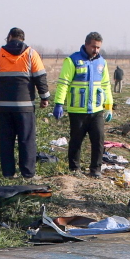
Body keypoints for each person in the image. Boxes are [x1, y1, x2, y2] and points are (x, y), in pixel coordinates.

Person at [0, 27, 50, 179]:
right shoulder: (31, 54)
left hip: (5, 106)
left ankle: (8, 174)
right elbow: (40, 77)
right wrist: (44, 98)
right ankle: (28, 173)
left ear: (9, 37)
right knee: (26, 140)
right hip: (25, 106)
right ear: (23, 38)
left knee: (6, 141)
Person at [52, 31, 113, 177]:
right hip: (77, 110)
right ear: (86, 45)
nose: (96, 50)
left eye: (98, 47)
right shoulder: (72, 60)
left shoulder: (102, 63)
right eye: (93, 47)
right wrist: (59, 103)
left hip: (96, 110)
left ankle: (95, 170)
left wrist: (108, 106)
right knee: (76, 141)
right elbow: (63, 84)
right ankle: (74, 169)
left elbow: (106, 86)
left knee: (98, 141)